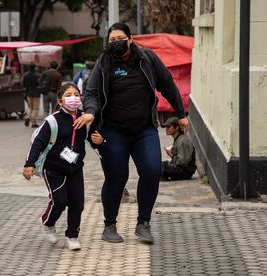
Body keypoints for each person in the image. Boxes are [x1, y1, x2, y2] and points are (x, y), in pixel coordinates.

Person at [74, 23, 189, 244]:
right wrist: (90, 113)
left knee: (151, 171)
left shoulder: (147, 59)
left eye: (119, 37)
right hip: (113, 131)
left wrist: (181, 113)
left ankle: (143, 223)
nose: (115, 42)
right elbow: (92, 92)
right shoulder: (104, 62)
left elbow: (167, 84)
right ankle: (109, 226)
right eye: (111, 39)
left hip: (144, 129)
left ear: (130, 38)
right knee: (117, 177)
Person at [23, 83, 87, 251]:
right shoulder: (52, 120)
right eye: (68, 95)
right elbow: (37, 142)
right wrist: (29, 164)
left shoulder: (84, 118)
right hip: (53, 169)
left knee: (77, 203)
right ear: (60, 101)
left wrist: (100, 142)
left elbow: (94, 138)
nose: (73, 98)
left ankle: (72, 236)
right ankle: (47, 222)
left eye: (76, 94)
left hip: (75, 168)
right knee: (59, 201)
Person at [22, 63, 41, 128]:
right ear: (34, 67)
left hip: (28, 93)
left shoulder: (25, 75)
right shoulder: (38, 75)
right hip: (36, 93)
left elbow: (23, 84)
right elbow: (40, 83)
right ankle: (33, 122)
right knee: (36, 108)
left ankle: (27, 117)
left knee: (30, 107)